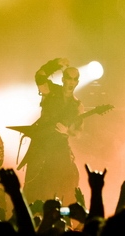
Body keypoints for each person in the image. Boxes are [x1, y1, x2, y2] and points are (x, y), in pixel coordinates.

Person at [20, 58, 84, 204]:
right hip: (41, 144)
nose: (71, 82)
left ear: (77, 82)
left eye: (75, 79)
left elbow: (78, 131)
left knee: (61, 183)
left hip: (59, 148)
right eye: (68, 78)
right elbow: (40, 77)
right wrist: (54, 64)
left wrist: (67, 131)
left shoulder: (77, 105)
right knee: (34, 183)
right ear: (63, 79)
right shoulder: (51, 90)